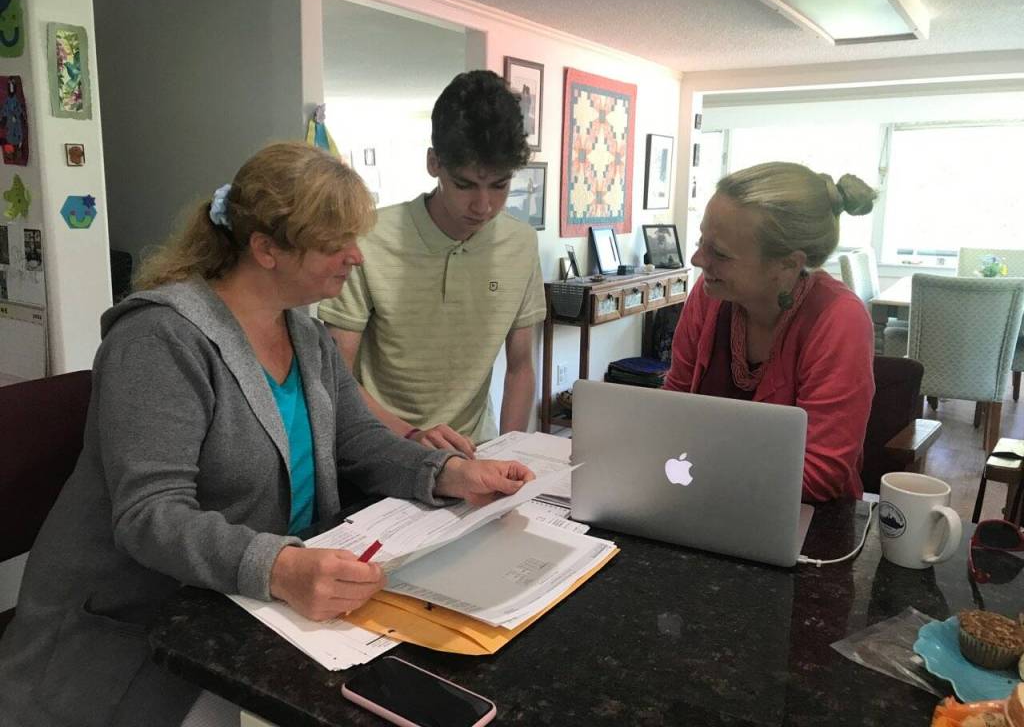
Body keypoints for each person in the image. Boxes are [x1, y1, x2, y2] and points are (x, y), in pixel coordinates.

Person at [0, 142, 535, 727]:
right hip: (137, 627)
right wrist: (278, 567)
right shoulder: (159, 341)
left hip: (248, 608)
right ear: (266, 249)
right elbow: (150, 516)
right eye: (335, 245)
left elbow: (357, 440)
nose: (356, 257)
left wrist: (448, 473)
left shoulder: (304, 337)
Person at [318, 70, 546, 457]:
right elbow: (336, 375)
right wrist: (410, 436)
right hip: (379, 450)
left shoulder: (521, 244)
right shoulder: (367, 239)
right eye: (465, 185)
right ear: (433, 162)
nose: (483, 206)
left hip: (476, 450)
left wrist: (509, 452)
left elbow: (521, 366)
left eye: (499, 185)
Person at [663, 161, 876, 502]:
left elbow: (819, 475)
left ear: (788, 264)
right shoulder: (710, 295)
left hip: (811, 525)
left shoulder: (839, 320)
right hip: (706, 498)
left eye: (718, 252)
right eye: (702, 240)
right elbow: (672, 407)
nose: (697, 258)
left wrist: (698, 467)